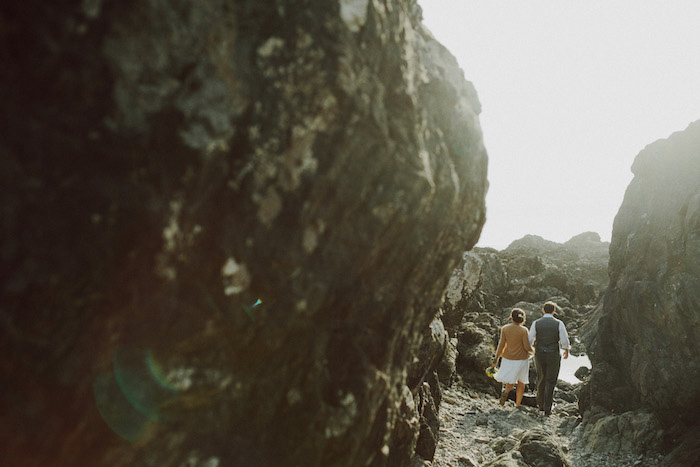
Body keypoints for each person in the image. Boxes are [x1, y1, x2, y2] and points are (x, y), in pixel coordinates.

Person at [528, 301, 570, 416]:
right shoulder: (559, 323)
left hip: (539, 353)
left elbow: (530, 338)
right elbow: (564, 339)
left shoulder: (536, 323)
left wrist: (530, 350)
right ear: (554, 311)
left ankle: (540, 405)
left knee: (541, 378)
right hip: (553, 354)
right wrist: (566, 350)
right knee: (551, 380)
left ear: (543, 310)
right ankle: (548, 408)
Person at [492, 308, 534, 408]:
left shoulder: (505, 329)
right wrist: (534, 350)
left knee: (510, 380)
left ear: (511, 317)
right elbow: (526, 347)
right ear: (523, 318)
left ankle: (505, 393)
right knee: (521, 382)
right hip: (521, 359)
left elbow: (501, 345)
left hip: (507, 358)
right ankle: (517, 405)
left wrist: (495, 360)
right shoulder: (524, 330)